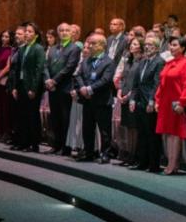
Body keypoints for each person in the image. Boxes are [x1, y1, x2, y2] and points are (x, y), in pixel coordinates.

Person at [72, 34, 116, 163]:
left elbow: (105, 80)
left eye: (93, 44)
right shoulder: (87, 60)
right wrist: (82, 88)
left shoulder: (109, 62)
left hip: (102, 101)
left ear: (102, 45)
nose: (89, 46)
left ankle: (105, 154)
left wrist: (89, 89)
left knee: (104, 130)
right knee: (87, 128)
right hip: (88, 100)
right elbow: (78, 75)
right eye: (89, 43)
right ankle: (88, 152)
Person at [154, 36, 186, 175]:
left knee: (174, 134)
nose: (171, 47)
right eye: (170, 45)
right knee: (166, 133)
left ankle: (172, 164)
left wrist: (182, 102)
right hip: (165, 101)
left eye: (175, 45)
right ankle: (171, 163)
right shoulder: (169, 62)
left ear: (182, 48)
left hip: (176, 102)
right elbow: (162, 83)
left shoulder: (185, 63)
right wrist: (157, 100)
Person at [42, 23, 81, 156]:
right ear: (58, 33)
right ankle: (56, 145)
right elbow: (45, 66)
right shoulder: (52, 49)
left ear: (71, 33)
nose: (64, 32)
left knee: (66, 119)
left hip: (64, 88)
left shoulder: (74, 48)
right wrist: (47, 79)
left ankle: (66, 147)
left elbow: (69, 68)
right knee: (55, 117)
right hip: (52, 88)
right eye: (62, 30)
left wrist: (54, 80)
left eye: (67, 30)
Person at [130, 36, 165, 172]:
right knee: (142, 133)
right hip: (139, 101)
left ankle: (153, 164)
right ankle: (142, 162)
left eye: (150, 45)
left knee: (152, 134)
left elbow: (157, 84)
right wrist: (132, 99)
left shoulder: (159, 62)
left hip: (150, 102)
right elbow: (136, 83)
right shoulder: (142, 61)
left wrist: (152, 100)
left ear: (156, 47)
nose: (146, 47)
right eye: (146, 45)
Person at [11, 22, 45, 152]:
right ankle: (22, 141)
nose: (27, 33)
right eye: (26, 31)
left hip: (32, 87)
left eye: (30, 31)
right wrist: (15, 87)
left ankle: (33, 143)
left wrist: (34, 88)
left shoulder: (38, 48)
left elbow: (39, 70)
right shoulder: (22, 48)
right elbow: (17, 69)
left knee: (32, 115)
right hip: (21, 85)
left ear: (36, 35)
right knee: (22, 115)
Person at [114, 38, 142, 166]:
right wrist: (120, 92)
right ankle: (128, 154)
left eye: (135, 44)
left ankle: (134, 155)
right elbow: (123, 79)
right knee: (128, 127)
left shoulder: (141, 62)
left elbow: (138, 83)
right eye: (131, 44)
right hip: (124, 96)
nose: (132, 46)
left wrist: (129, 95)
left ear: (141, 47)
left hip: (134, 98)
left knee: (134, 127)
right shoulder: (129, 61)